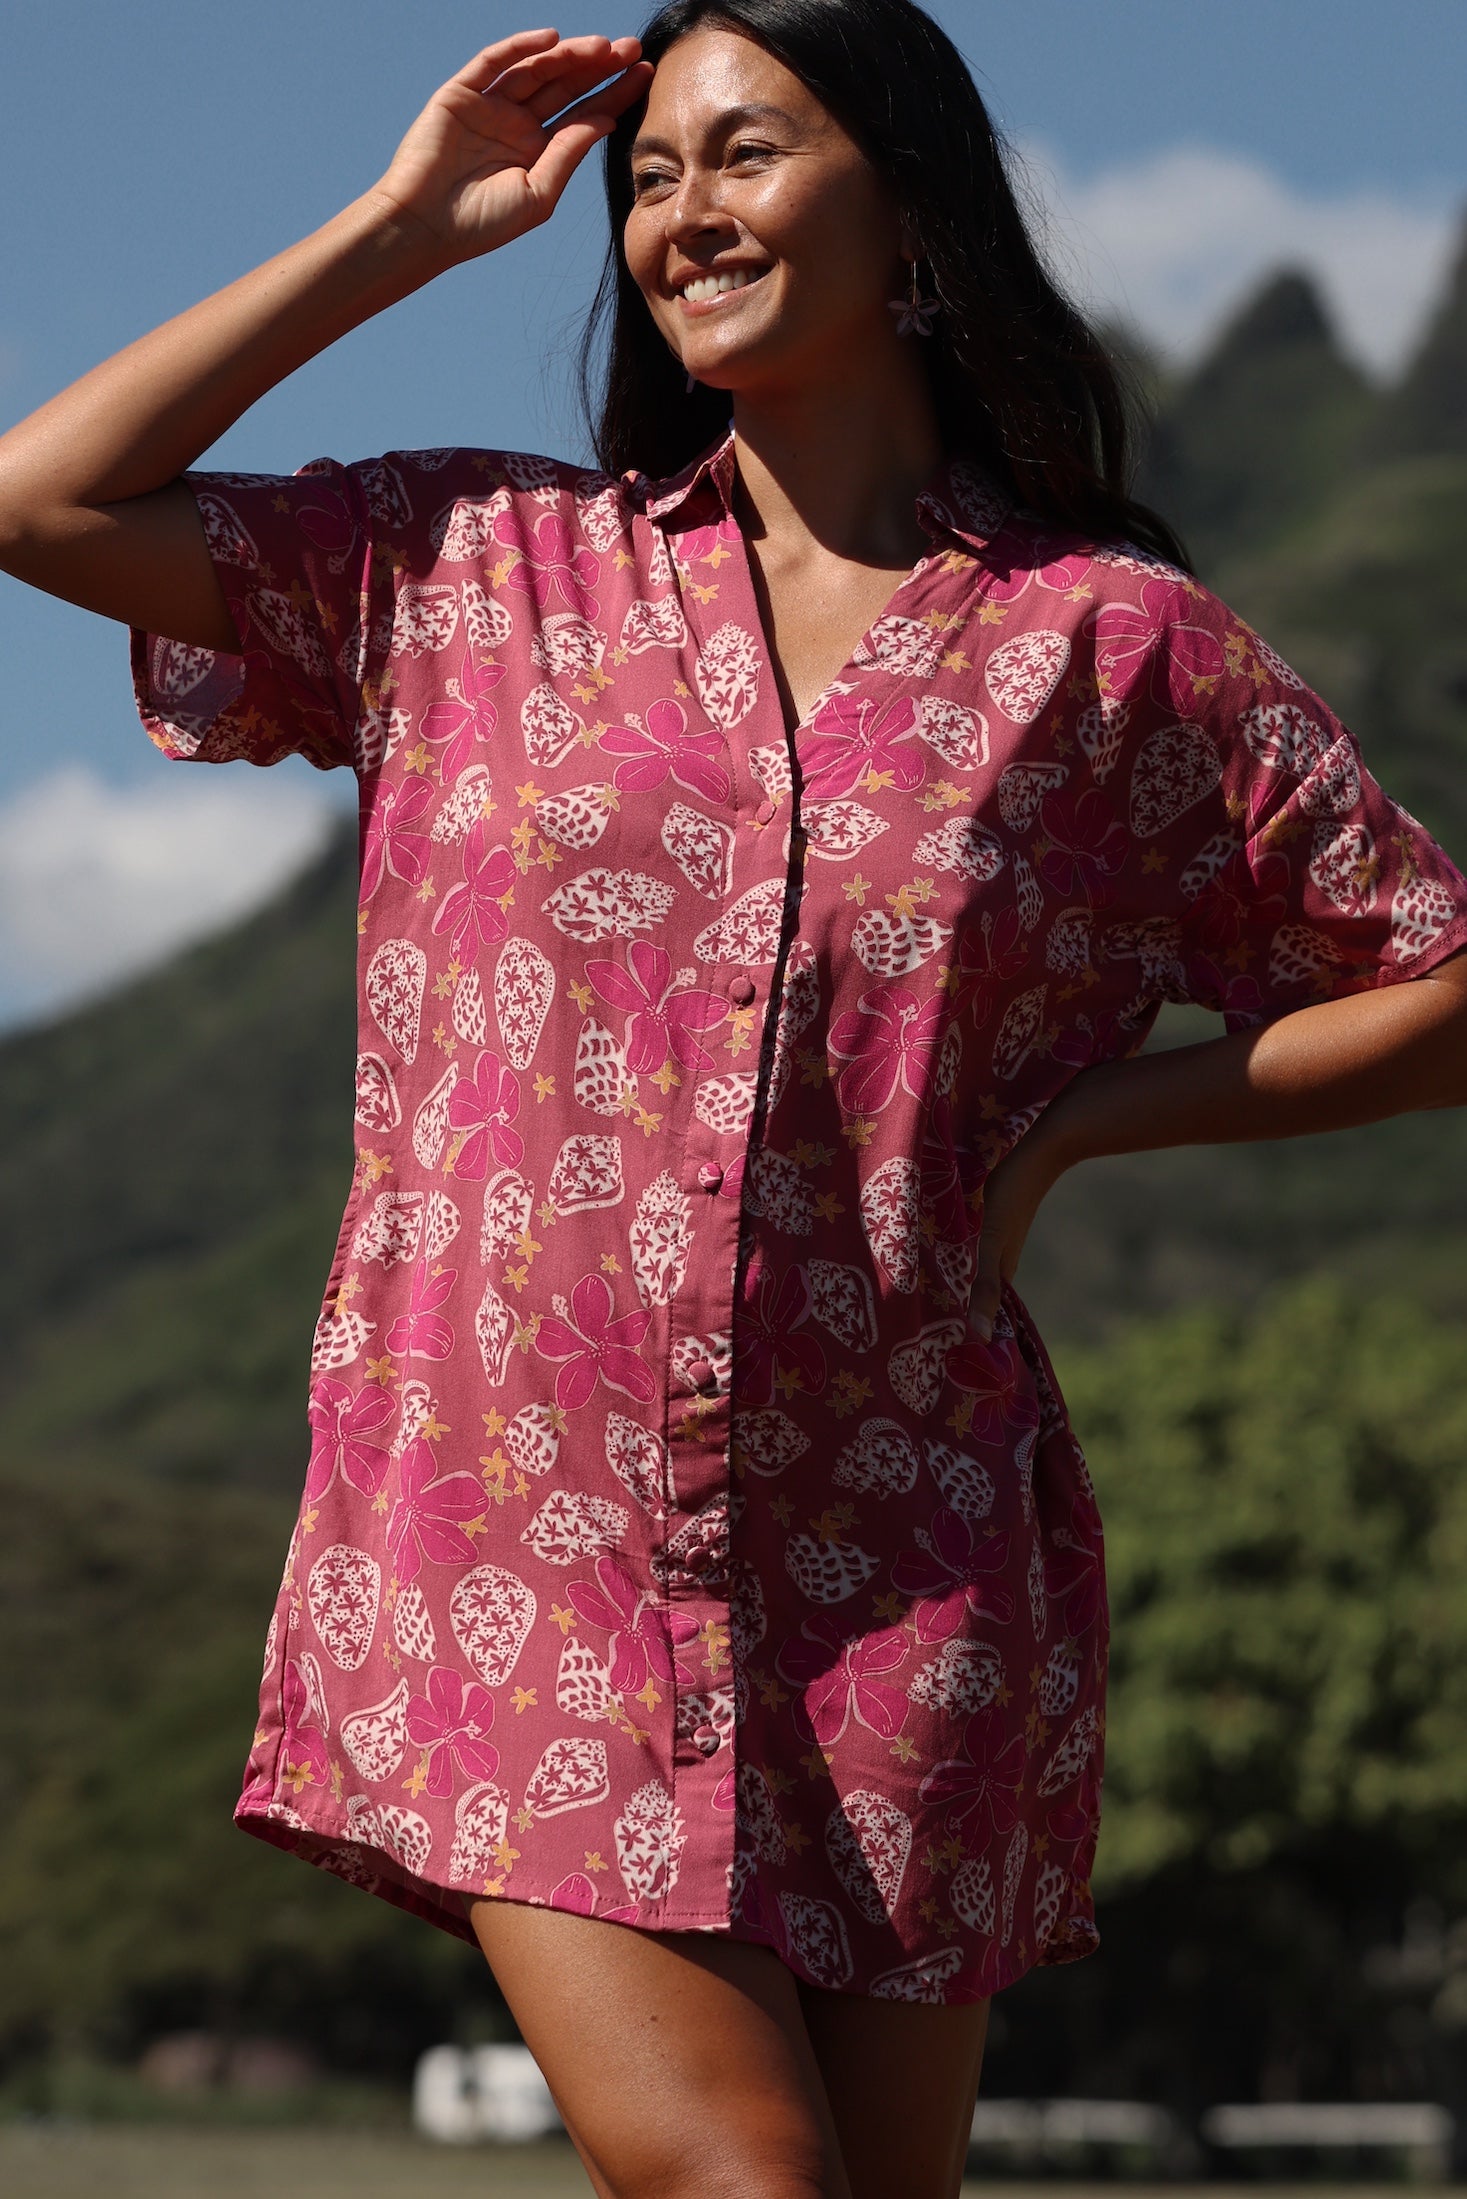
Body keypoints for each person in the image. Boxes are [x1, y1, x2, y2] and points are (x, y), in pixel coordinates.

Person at [2, 3, 1465, 2193]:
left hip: (903, 1543)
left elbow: (1430, 977)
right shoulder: (470, 573)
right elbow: (46, 495)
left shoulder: (1107, 650)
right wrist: (404, 230)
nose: (681, 211)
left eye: (746, 153)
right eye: (652, 174)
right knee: (738, 2177)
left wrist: (1077, 1127)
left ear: (909, 219)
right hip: (520, 1529)